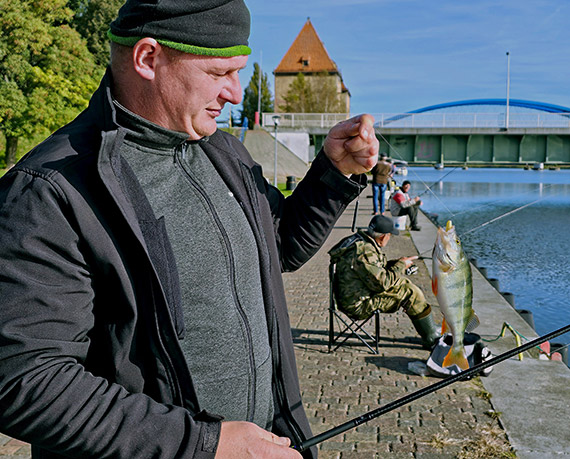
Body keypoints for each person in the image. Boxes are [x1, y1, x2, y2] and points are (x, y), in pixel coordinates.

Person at [0, 1, 379, 458]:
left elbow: (276, 247)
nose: (237, 93)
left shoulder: (224, 152)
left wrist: (332, 175)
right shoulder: (48, 190)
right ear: (147, 59)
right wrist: (204, 445)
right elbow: (24, 378)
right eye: (220, 73)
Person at [328, 215, 440, 350]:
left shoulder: (362, 242)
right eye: (389, 236)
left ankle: (430, 330)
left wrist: (399, 263)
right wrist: (400, 266)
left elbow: (374, 269)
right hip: (358, 305)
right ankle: (431, 338)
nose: (390, 238)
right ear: (383, 237)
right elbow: (383, 283)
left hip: (355, 295)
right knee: (411, 293)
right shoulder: (365, 252)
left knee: (404, 284)